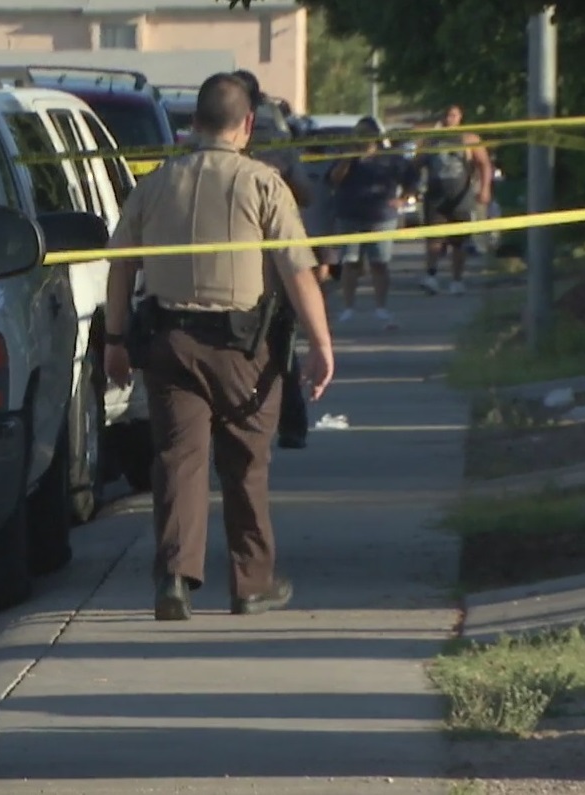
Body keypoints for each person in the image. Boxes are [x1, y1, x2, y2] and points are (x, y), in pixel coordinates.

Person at [102, 72, 335, 621]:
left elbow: (119, 268)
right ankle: (251, 584)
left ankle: (175, 580)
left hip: (170, 344)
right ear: (248, 125)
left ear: (194, 124)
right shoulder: (263, 184)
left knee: (178, 462)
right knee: (247, 464)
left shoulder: (155, 184)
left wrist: (114, 341)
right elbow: (297, 271)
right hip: (244, 352)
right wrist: (322, 345)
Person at [229, 69, 318, 449]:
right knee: (280, 341)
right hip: (267, 251)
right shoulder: (278, 135)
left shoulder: (232, 134)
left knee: (276, 337)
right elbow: (307, 192)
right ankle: (289, 425)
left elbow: (303, 191)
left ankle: (285, 423)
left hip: (249, 251)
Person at [328, 115, 420, 330]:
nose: (363, 139)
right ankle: (348, 308)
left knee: (379, 263)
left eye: (366, 134)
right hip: (349, 214)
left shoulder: (391, 158)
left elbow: (413, 180)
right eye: (359, 134)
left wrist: (403, 199)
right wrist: (349, 158)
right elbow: (333, 179)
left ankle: (381, 308)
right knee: (350, 263)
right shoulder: (346, 156)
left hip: (381, 216)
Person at [417, 104, 494, 296]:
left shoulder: (469, 139)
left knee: (459, 242)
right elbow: (416, 164)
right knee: (434, 239)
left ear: (460, 117)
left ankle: (457, 280)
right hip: (436, 195)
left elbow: (484, 165)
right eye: (446, 115)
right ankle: (431, 275)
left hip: (461, 195)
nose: (449, 118)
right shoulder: (431, 140)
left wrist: (484, 189)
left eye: (453, 115)